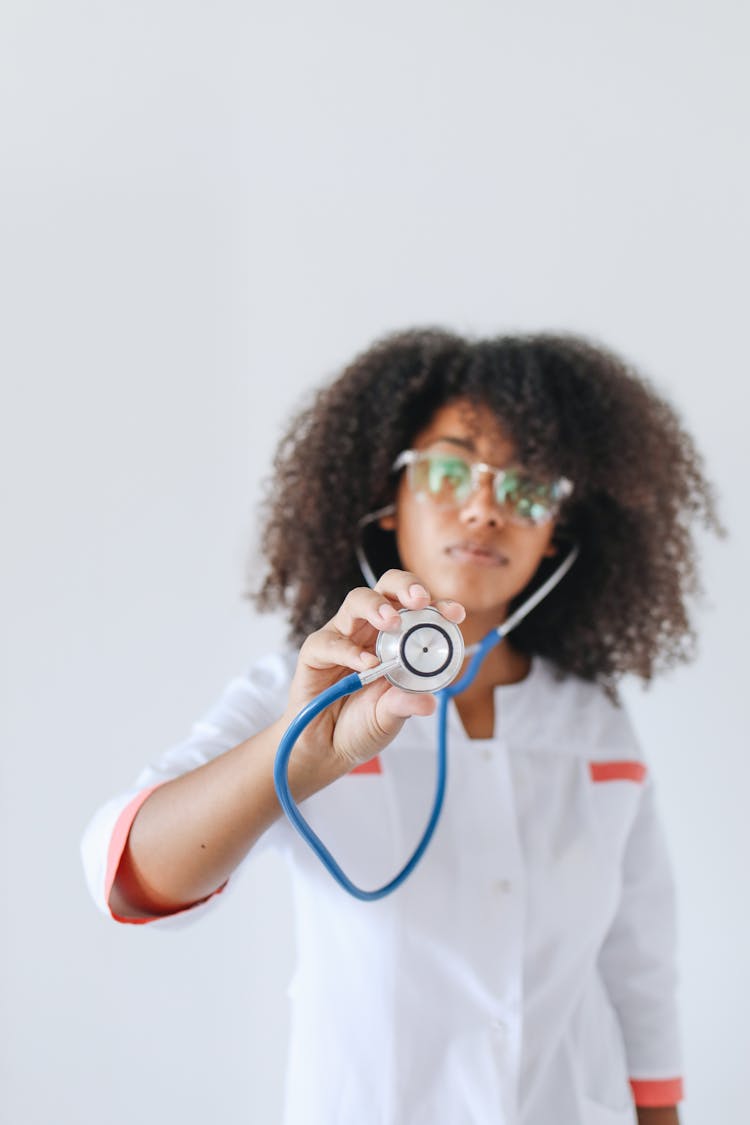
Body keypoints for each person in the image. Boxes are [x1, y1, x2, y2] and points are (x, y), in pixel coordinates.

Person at [81, 328, 723, 1125]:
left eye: (526, 488)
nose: (486, 506)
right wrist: (303, 751)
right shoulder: (303, 686)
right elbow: (127, 876)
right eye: (451, 469)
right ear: (389, 499)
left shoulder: (593, 722)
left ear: (555, 531)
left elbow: (639, 965)